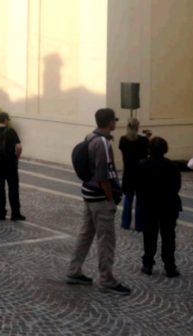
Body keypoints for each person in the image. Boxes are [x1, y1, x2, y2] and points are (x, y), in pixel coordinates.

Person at [66, 108, 130, 295]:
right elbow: (104, 174)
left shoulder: (89, 136)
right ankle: (107, 279)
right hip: (100, 197)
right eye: (114, 120)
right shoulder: (103, 143)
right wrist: (111, 199)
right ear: (110, 122)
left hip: (88, 193)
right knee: (106, 240)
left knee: (85, 234)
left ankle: (74, 270)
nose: (115, 123)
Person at [136, 136, 182, 278]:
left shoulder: (142, 165)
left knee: (149, 236)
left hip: (148, 206)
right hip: (168, 205)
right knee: (168, 236)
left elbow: (138, 186)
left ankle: (148, 264)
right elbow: (176, 187)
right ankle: (170, 266)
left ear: (149, 149)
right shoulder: (172, 166)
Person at [0, 112, 25, 221]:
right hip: (10, 164)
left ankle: (1, 213)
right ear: (5, 120)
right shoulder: (11, 131)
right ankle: (15, 213)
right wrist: (16, 157)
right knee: (13, 188)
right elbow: (19, 147)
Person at [118, 117, 149, 231]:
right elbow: (145, 155)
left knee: (128, 199)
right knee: (140, 201)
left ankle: (125, 223)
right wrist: (147, 139)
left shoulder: (123, 140)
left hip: (128, 173)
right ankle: (139, 225)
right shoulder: (143, 141)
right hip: (140, 173)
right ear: (138, 127)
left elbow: (124, 153)